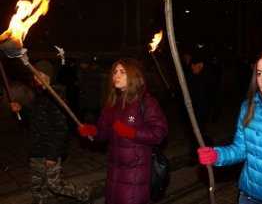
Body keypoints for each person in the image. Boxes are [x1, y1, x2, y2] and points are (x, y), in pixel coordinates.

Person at [197, 47, 262, 204]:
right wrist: (217, 155)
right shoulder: (249, 107)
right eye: (259, 73)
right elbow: (241, 149)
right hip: (250, 196)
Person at [79, 58, 168, 204]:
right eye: (115, 72)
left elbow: (159, 133)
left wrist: (131, 133)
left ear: (133, 76)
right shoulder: (112, 104)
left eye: (122, 72)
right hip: (114, 174)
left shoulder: (146, 101)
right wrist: (91, 131)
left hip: (135, 175)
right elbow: (103, 133)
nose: (116, 76)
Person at [27, 60, 92, 204]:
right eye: (35, 75)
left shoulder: (56, 97)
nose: (37, 78)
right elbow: (31, 120)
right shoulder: (37, 95)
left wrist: (52, 155)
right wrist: (20, 110)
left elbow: (61, 130)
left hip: (49, 151)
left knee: (54, 185)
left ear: (49, 77)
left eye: (41, 75)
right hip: (36, 150)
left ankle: (82, 193)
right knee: (37, 185)